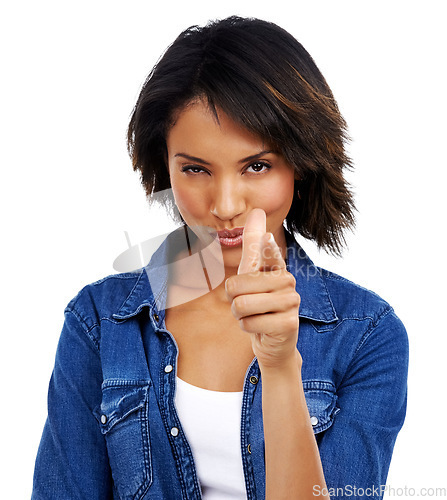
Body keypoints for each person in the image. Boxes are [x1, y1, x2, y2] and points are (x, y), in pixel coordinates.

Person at [32, 16, 409, 500]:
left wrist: (278, 368)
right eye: (195, 169)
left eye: (257, 166)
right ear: (163, 166)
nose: (226, 205)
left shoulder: (367, 334)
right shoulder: (100, 323)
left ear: (302, 162)